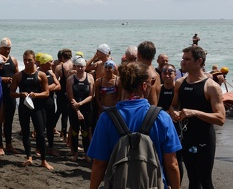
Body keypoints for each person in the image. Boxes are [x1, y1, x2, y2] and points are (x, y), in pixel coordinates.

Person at [88, 62, 181, 189]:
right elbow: (172, 164)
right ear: (144, 85)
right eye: (151, 82)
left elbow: (99, 163)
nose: (152, 85)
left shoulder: (107, 118)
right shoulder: (162, 117)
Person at [169, 45, 225, 189]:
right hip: (186, 137)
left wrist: (195, 113)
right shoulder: (180, 83)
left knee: (205, 180)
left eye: (187, 59)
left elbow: (220, 119)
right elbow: (174, 105)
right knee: (193, 180)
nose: (183, 62)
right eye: (183, 59)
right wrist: (174, 113)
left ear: (199, 61)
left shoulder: (211, 87)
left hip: (205, 139)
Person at [10, 50, 53, 170]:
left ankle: (44, 160)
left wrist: (36, 95)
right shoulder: (18, 75)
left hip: (37, 107)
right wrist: (21, 94)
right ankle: (29, 157)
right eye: (25, 60)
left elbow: (46, 92)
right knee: (25, 132)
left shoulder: (41, 75)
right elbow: (12, 93)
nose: (27, 62)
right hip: (24, 107)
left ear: (34, 60)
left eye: (29, 60)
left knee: (40, 133)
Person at [157, 63, 184, 184]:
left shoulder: (178, 90)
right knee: (161, 158)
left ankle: (177, 184)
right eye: (164, 72)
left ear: (175, 74)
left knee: (176, 159)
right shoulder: (159, 89)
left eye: (170, 72)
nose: (167, 75)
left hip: (176, 127)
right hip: (161, 127)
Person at [66, 57, 95, 162]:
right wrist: (77, 110)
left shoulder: (90, 78)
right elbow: (70, 96)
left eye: (82, 67)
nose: (80, 69)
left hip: (86, 108)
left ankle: (86, 154)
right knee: (74, 130)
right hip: (74, 108)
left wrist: (81, 103)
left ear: (85, 67)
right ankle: (75, 153)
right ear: (75, 67)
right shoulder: (70, 79)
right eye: (78, 66)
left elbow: (92, 95)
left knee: (86, 131)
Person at [0, 37, 20, 154]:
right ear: (0, 47)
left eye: (9, 48)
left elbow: (17, 75)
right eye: (5, 48)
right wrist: (3, 79)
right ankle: (0, 145)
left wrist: (14, 83)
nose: (7, 51)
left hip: (10, 94)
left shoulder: (14, 60)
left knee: (9, 120)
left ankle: (9, 144)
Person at [38, 53, 61, 156]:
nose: (52, 63)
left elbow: (59, 86)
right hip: (40, 104)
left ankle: (51, 147)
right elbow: (42, 90)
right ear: (45, 63)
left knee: (50, 127)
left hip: (51, 103)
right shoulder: (37, 74)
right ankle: (39, 148)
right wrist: (51, 87)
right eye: (50, 62)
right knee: (41, 127)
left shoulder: (51, 73)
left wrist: (48, 88)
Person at [54, 48, 73, 141]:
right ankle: (65, 133)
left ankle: (62, 132)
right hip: (72, 90)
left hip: (62, 91)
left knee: (61, 111)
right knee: (69, 113)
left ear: (62, 57)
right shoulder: (74, 65)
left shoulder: (59, 67)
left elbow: (55, 80)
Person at [137, 41, 161, 105]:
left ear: (138, 55)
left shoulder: (143, 74)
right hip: (154, 112)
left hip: (145, 113)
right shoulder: (157, 74)